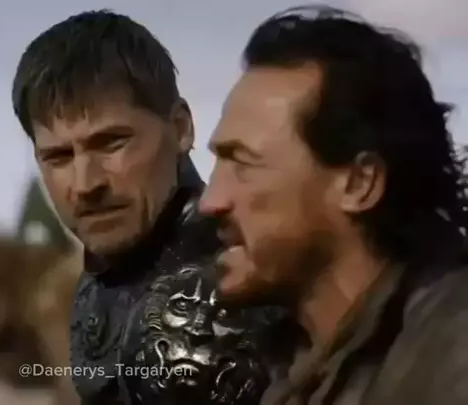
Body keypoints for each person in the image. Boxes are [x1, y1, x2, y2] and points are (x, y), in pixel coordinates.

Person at [11, 9, 292, 405]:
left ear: (180, 129)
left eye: (112, 143)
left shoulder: (234, 287)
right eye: (58, 157)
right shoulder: (106, 273)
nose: (86, 184)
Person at [199, 5, 468, 405]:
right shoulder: (289, 361)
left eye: (243, 164)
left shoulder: (451, 354)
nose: (210, 202)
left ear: (359, 184)